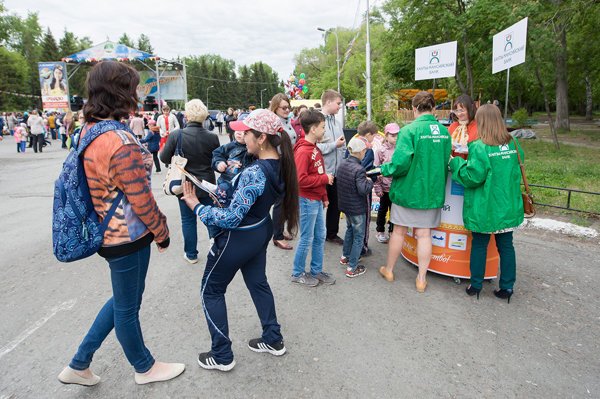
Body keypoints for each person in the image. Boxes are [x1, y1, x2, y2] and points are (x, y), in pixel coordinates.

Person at [57, 61, 184, 387]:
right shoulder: (119, 141)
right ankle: (144, 367)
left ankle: (79, 363)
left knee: (123, 300)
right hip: (126, 236)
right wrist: (163, 231)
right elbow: (140, 199)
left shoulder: (89, 129)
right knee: (128, 307)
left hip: (107, 231)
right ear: (120, 92)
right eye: (134, 86)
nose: (138, 91)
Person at [180, 109, 299, 371]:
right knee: (258, 284)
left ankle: (222, 355)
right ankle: (273, 338)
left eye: (246, 133)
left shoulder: (255, 171)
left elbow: (232, 217)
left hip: (239, 236)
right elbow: (248, 202)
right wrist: (218, 194)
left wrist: (195, 205)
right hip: (259, 229)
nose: (241, 137)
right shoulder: (281, 163)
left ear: (262, 138)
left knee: (211, 290)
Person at [449, 104, 524, 303]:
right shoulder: (513, 143)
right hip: (507, 205)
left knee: (480, 244)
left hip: (485, 206)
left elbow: (473, 177)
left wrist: (455, 162)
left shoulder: (479, 146)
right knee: (507, 246)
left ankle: (476, 285)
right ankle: (507, 287)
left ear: (481, 122)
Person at [378, 91, 451, 293]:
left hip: (407, 191)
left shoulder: (409, 131)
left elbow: (400, 163)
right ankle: (421, 279)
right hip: (431, 193)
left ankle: (389, 270)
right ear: (434, 108)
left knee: (398, 231)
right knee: (424, 234)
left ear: (414, 108)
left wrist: (385, 169)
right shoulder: (444, 132)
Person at [160, 99, 220, 264]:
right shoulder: (212, 137)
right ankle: (216, 248)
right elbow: (215, 162)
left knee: (188, 220)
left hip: (185, 185)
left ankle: (191, 254)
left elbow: (164, 157)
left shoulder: (176, 135)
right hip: (207, 184)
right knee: (210, 217)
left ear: (187, 115)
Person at [291, 109, 336, 286]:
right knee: (307, 238)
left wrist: (324, 195)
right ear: (313, 129)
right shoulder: (303, 151)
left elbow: (318, 171)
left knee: (319, 236)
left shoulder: (313, 148)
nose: (324, 130)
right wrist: (324, 179)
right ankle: (297, 272)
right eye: (323, 127)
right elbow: (300, 180)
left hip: (316, 199)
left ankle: (316, 271)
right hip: (307, 200)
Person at [337, 137, 373, 278]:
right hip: (357, 208)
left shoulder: (342, 164)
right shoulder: (359, 169)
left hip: (346, 206)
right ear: (361, 152)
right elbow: (363, 190)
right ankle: (352, 267)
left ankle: (345, 256)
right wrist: (369, 182)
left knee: (350, 230)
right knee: (359, 236)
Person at [317, 90, 346, 245]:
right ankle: (316, 236)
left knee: (335, 205)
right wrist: (335, 144)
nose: (339, 107)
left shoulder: (337, 122)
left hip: (337, 172)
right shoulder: (317, 121)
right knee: (319, 206)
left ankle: (331, 234)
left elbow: (342, 145)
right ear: (328, 102)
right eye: (338, 103)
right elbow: (315, 147)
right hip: (322, 173)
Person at [269, 94, 297, 250]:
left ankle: (280, 230)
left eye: (288, 107)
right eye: (284, 108)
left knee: (286, 199)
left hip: (289, 163)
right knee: (280, 200)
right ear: (275, 108)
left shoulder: (287, 121)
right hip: (279, 164)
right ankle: (277, 236)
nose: (287, 110)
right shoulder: (273, 124)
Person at [211, 129, 255, 206]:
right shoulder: (228, 146)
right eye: (237, 129)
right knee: (222, 207)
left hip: (244, 189)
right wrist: (219, 163)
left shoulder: (254, 149)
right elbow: (216, 154)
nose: (238, 132)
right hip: (226, 184)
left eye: (243, 131)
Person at [373, 123, 399, 243]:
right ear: (386, 135)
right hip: (384, 188)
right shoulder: (380, 150)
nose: (396, 137)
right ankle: (380, 231)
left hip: (397, 187)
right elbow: (377, 169)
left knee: (395, 212)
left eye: (397, 135)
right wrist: (378, 187)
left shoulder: (400, 149)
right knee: (382, 210)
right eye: (393, 135)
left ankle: (392, 232)